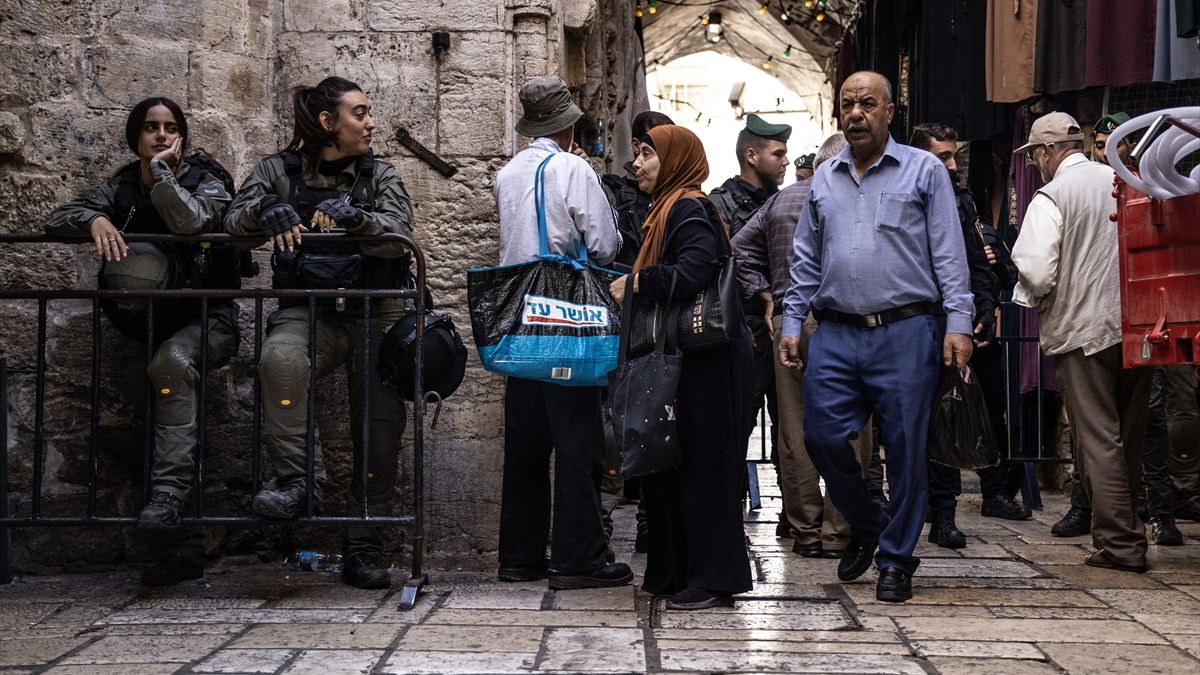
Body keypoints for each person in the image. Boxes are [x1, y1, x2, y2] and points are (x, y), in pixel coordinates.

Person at [778, 71, 974, 603]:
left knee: (907, 450)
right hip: (836, 332)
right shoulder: (825, 177)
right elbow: (806, 259)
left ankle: (895, 560)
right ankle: (869, 522)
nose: (856, 114)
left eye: (867, 103)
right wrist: (793, 321)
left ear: (890, 111)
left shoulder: (924, 170)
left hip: (906, 330)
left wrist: (958, 321)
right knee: (820, 437)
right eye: (847, 105)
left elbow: (949, 252)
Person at [224, 76, 415, 589]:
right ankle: (298, 482)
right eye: (360, 113)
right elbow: (233, 220)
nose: (371, 123)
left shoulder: (380, 175)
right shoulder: (278, 171)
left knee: (378, 430)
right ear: (328, 122)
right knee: (279, 360)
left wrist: (358, 220)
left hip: (376, 311)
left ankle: (364, 546)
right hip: (309, 309)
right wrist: (266, 210)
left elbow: (400, 236)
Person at [44, 96, 241, 586]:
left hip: (208, 319)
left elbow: (193, 222)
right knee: (156, 416)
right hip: (148, 328)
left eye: (170, 127)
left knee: (169, 367)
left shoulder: (204, 179)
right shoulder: (122, 186)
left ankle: (175, 511)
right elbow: (57, 218)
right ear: (136, 136)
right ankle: (185, 546)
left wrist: (164, 176)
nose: (160, 135)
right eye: (151, 127)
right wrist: (94, 220)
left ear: (182, 136)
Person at [491, 75, 631, 591]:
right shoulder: (574, 169)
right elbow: (605, 244)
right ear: (567, 125)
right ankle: (578, 558)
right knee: (577, 441)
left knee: (525, 444)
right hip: (567, 320)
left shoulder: (507, 174)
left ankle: (519, 556)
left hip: (519, 321)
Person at [609, 124, 754, 610]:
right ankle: (674, 571)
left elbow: (694, 271)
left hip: (707, 357)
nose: (637, 164)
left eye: (648, 155)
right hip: (686, 355)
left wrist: (637, 283)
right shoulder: (665, 208)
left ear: (674, 160)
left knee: (705, 465)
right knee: (673, 462)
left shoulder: (687, 207)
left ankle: (713, 579)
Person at [1012, 111, 1153, 573]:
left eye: (1034, 155)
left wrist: (1033, 297)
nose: (1034, 164)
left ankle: (1122, 544)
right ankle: (1128, 531)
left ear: (1047, 151)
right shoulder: (1123, 180)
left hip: (1084, 331)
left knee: (1099, 440)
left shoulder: (1053, 195)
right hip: (1137, 326)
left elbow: (1036, 270)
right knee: (1128, 437)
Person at [733, 132, 871, 560]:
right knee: (852, 426)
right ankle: (839, 530)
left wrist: (764, 292)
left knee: (793, 427)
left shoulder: (781, 200)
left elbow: (736, 249)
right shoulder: (854, 197)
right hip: (843, 322)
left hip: (787, 320)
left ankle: (805, 529)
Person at [908, 123, 1031, 551]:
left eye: (953, 155)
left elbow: (975, 262)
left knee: (983, 409)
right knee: (933, 417)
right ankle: (936, 509)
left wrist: (981, 310)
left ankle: (985, 494)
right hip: (920, 324)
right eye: (942, 156)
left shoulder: (962, 200)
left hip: (963, 323)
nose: (952, 164)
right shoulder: (907, 196)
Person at [600, 111, 675, 273]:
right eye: (659, 144)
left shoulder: (680, 196)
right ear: (636, 146)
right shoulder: (613, 192)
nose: (668, 152)